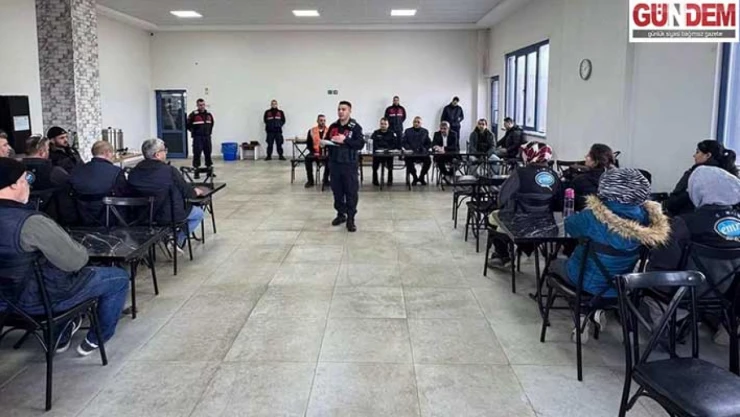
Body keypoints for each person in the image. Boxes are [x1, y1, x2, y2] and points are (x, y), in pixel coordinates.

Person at [0, 158, 130, 356]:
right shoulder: (30, 223)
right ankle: (96, 338)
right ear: (13, 185)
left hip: (5, 304)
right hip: (36, 302)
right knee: (117, 278)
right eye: (25, 179)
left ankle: (63, 332)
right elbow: (76, 261)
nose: (28, 185)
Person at [551, 168, 670, 342]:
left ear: (606, 188)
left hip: (584, 280)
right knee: (601, 274)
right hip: (622, 284)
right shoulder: (647, 220)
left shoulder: (592, 216)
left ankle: (582, 317)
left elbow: (570, 226)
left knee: (554, 264)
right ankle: (597, 310)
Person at [649, 166, 740, 345]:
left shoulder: (683, 223)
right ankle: (726, 328)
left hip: (685, 292)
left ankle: (672, 325)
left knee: (645, 278)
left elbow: (662, 263)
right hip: (729, 294)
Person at [488, 142, 561, 267]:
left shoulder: (520, 173)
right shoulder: (555, 175)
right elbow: (559, 204)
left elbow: (502, 199)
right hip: (546, 226)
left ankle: (502, 255)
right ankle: (527, 249)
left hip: (519, 224)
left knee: (492, 217)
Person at [127, 139, 204, 251]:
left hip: (143, 216)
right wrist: (195, 191)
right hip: (168, 216)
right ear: (157, 155)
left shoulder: (133, 172)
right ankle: (177, 240)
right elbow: (187, 193)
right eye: (164, 150)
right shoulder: (170, 171)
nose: (166, 153)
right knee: (199, 214)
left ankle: (165, 237)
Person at [665, 140, 738, 216]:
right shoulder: (730, 177)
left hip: (692, 219)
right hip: (727, 219)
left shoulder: (694, 174)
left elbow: (673, 202)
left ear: (708, 155)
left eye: (697, 152)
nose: (694, 156)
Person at [69, 141, 129, 226]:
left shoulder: (77, 171)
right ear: (107, 153)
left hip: (81, 220)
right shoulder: (116, 172)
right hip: (109, 221)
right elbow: (124, 194)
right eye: (112, 153)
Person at [326, 101, 365, 232]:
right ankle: (341, 214)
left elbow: (360, 144)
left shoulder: (355, 127)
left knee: (351, 192)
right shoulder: (333, 126)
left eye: (344, 109)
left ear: (349, 111)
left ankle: (351, 218)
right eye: (339, 109)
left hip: (349, 165)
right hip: (335, 164)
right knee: (337, 192)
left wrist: (345, 140)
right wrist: (324, 143)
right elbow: (328, 139)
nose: (341, 112)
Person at [570, 144, 616, 211]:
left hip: (586, 216)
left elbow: (570, 204)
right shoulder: (616, 180)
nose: (585, 156)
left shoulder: (580, 180)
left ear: (596, 161)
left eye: (589, 155)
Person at [186, 98, 215, 177]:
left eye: (203, 105)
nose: (202, 106)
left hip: (207, 137)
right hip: (198, 138)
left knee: (208, 153)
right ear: (197, 105)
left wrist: (209, 132)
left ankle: (209, 171)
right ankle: (196, 171)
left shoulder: (209, 114)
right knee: (197, 154)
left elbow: (212, 124)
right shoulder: (193, 114)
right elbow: (188, 125)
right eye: (200, 105)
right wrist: (194, 132)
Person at [402, 117, 432, 186]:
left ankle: (421, 176)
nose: (416, 123)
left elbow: (429, 143)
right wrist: (409, 148)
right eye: (415, 122)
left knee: (428, 161)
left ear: (421, 123)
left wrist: (425, 149)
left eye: (418, 122)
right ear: (413, 123)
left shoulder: (425, 131)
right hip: (411, 153)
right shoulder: (408, 131)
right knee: (408, 160)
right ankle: (415, 177)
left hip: (422, 154)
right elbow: (404, 142)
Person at [370, 118, 399, 187]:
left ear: (388, 125)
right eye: (382, 124)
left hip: (388, 153)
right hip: (378, 153)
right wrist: (378, 149)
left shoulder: (392, 133)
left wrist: (388, 149)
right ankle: (375, 180)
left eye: (385, 124)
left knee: (390, 167)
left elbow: (395, 144)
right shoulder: (376, 133)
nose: (383, 125)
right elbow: (372, 143)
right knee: (374, 167)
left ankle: (390, 180)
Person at [304, 114, 330, 188]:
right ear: (317, 121)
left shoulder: (329, 130)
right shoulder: (311, 131)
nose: (323, 122)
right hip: (314, 152)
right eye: (321, 120)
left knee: (330, 159)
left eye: (324, 120)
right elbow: (308, 144)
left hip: (325, 152)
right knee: (307, 158)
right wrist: (313, 151)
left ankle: (325, 180)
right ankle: (310, 181)